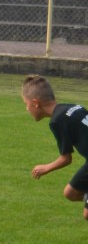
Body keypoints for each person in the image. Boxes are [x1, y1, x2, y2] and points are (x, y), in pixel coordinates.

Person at [22, 74, 88, 222]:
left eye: (26, 104)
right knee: (70, 193)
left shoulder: (57, 121)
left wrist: (45, 168)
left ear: (35, 103)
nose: (26, 109)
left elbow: (66, 158)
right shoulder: (73, 107)